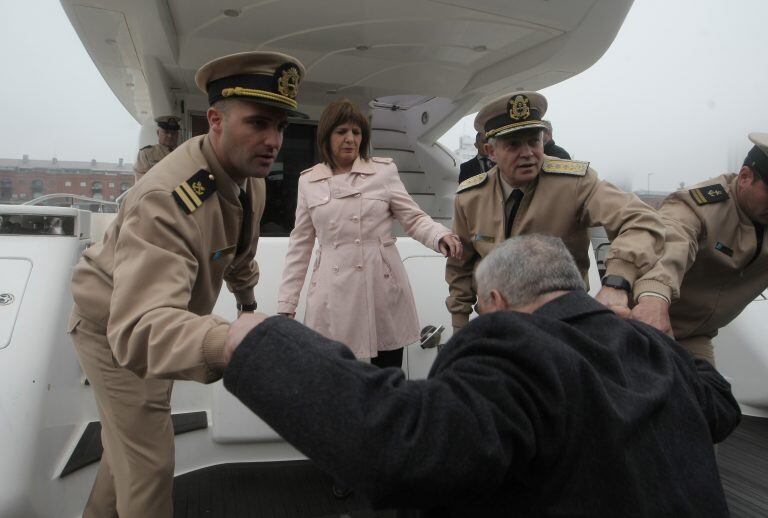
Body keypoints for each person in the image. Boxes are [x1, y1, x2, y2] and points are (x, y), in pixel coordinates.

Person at [222, 234, 740, 517]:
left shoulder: (519, 344)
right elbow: (721, 406)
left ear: (495, 302)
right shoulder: (649, 348)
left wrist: (261, 343)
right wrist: (649, 332)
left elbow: (405, 447)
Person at [66, 51, 307, 518]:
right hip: (115, 331)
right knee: (150, 465)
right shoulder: (168, 198)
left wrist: (248, 305)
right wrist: (233, 341)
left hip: (156, 321)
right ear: (214, 120)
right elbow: (138, 330)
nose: (273, 141)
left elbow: (238, 252)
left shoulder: (248, 176)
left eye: (280, 127)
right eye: (258, 123)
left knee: (126, 452)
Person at [446, 91, 669, 332]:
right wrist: (460, 325)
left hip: (561, 328)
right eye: (513, 145)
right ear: (490, 151)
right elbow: (461, 266)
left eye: (534, 141)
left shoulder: (574, 184)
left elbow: (642, 220)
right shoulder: (470, 197)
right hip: (497, 328)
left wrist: (617, 281)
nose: (528, 153)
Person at [277, 99, 461, 368]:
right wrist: (287, 303)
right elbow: (300, 244)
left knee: (387, 369)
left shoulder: (383, 172)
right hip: (332, 288)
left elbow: (413, 217)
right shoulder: (308, 180)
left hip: (380, 283)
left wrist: (439, 235)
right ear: (326, 137)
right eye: (341, 132)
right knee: (336, 371)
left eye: (356, 132)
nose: (350, 139)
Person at [631, 132, 768, 365]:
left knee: (710, 397)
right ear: (745, 177)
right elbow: (670, 243)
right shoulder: (699, 206)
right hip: (645, 323)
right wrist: (654, 295)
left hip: (695, 336)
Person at [133, 115, 181, 181]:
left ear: (177, 134)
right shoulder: (146, 154)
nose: (170, 136)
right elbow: (142, 182)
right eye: (166, 132)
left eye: (173, 133)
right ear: (158, 133)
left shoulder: (185, 153)